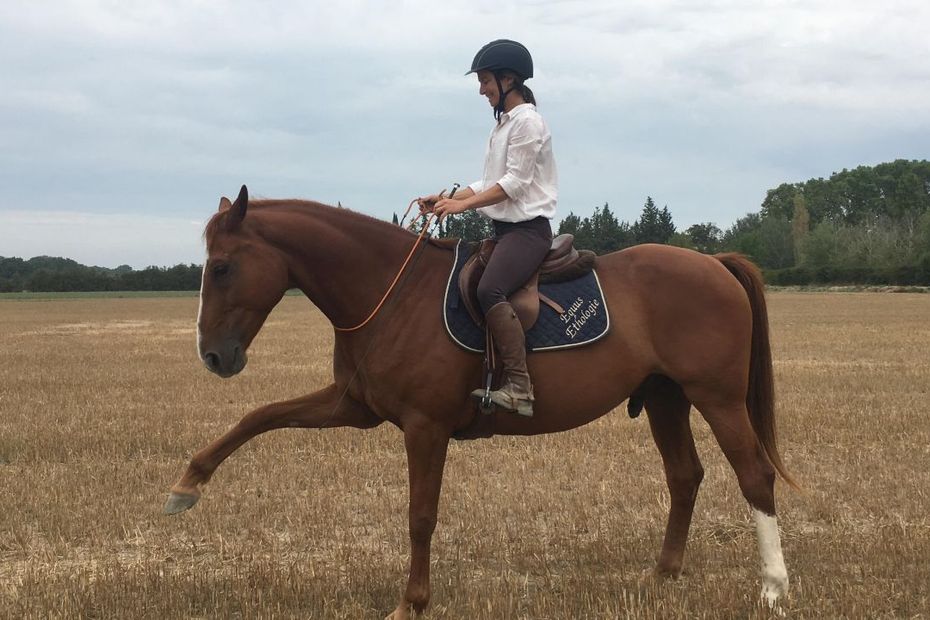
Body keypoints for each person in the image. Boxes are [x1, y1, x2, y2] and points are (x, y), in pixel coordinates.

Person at [418, 39, 557, 417]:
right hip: (504, 231)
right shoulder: (503, 126)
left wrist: (461, 206)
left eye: (485, 81)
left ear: (508, 78)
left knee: (489, 288)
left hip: (528, 232)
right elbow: (488, 182)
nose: (482, 90)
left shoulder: (528, 122)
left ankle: (519, 387)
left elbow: (514, 184)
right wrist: (446, 195)